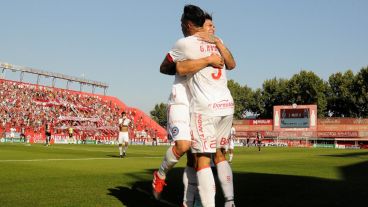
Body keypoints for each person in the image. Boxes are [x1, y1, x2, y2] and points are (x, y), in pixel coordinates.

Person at [155, 5, 236, 207]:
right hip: (186, 102)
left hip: (203, 105)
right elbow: (170, 68)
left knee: (198, 157)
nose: (213, 29)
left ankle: (192, 201)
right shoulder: (215, 44)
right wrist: (208, 59)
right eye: (210, 25)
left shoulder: (189, 42)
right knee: (188, 149)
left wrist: (206, 56)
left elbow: (176, 67)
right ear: (201, 25)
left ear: (188, 24)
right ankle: (163, 175)